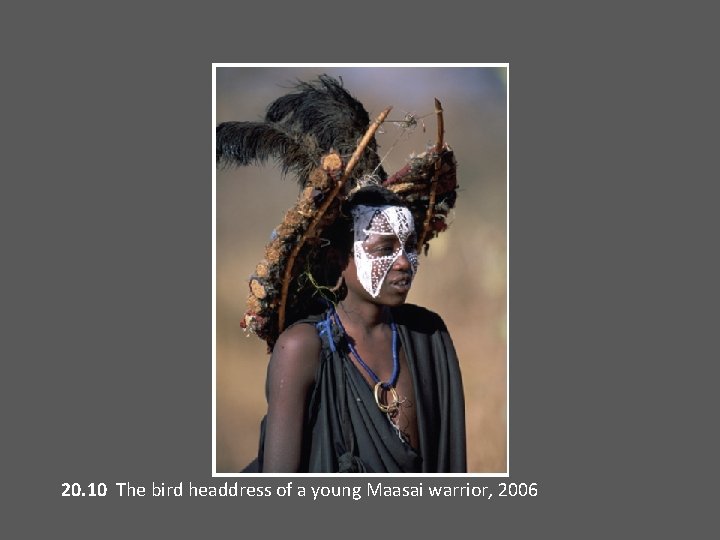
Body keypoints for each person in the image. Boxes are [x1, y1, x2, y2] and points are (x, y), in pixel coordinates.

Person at [217, 75, 466, 473]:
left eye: (410, 247)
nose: (404, 263)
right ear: (337, 260)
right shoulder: (302, 349)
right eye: (384, 249)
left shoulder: (428, 336)